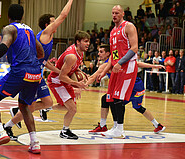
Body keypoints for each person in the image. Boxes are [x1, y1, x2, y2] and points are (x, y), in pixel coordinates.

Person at [0, 4, 44, 153]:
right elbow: (41, 52)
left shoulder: (9, 29)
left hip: (20, 71)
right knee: (24, 106)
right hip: (35, 73)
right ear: (23, 16)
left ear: (8, 16)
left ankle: (0, 132)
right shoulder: (30, 30)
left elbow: (3, 47)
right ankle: (35, 142)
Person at [2, 0, 74, 140]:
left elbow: (45, 62)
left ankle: (15, 115)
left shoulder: (49, 37)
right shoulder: (45, 34)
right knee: (31, 106)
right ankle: (9, 126)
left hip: (37, 74)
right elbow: (63, 15)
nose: (56, 24)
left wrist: (60, 72)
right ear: (47, 25)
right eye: (53, 21)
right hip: (29, 74)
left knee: (47, 103)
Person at [87, 55, 166, 135]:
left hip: (133, 87)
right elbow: (94, 76)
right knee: (137, 107)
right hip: (137, 86)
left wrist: (154, 66)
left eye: (101, 52)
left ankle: (115, 127)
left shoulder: (116, 61)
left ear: (108, 53)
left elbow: (137, 64)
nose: (99, 54)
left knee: (115, 100)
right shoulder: (109, 64)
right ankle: (157, 125)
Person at [97, 5, 138, 138]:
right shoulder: (113, 31)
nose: (114, 15)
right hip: (116, 67)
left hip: (127, 66)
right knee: (111, 97)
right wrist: (104, 71)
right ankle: (115, 126)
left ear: (122, 14)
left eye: (117, 13)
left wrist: (120, 63)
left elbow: (135, 48)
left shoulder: (129, 26)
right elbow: (113, 55)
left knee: (119, 97)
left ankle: (120, 129)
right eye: (112, 13)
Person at [46, 30, 89, 139]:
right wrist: (77, 84)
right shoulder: (72, 56)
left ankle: (46, 108)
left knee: (67, 107)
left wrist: (80, 73)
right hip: (57, 81)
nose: (88, 44)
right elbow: (61, 76)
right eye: (86, 41)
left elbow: (72, 69)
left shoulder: (80, 53)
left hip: (64, 80)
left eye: (88, 41)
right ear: (78, 42)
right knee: (72, 109)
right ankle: (64, 131)